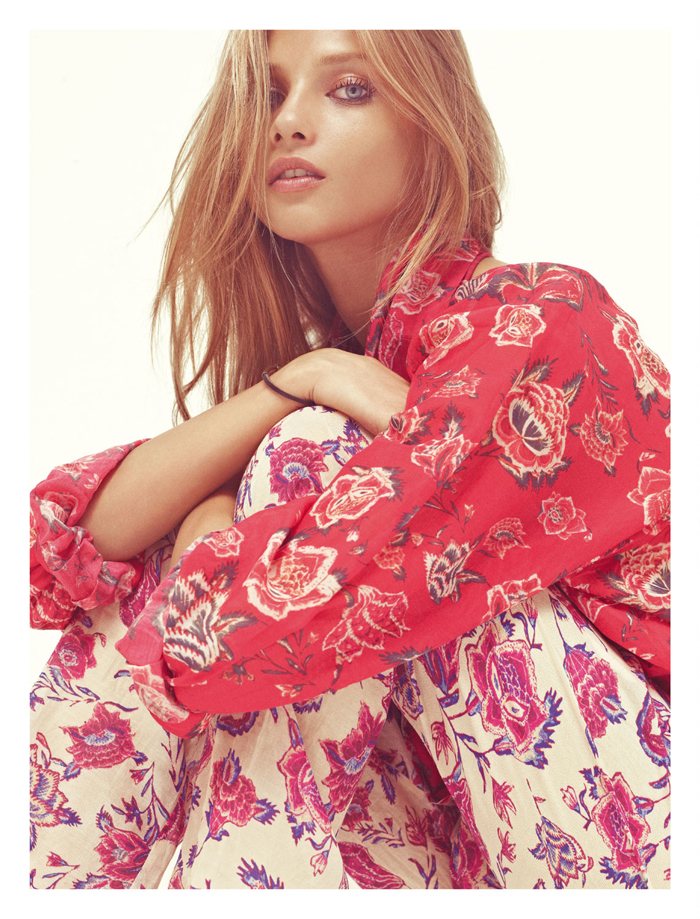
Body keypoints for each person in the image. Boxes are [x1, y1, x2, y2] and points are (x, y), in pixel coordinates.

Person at [29, 29, 670, 889]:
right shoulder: (339, 367)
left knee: (311, 460)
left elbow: (251, 634)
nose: (288, 123)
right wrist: (294, 384)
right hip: (467, 840)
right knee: (202, 511)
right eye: (269, 94)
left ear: (432, 130)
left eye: (350, 89)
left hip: (640, 833)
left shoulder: (536, 318)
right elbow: (72, 540)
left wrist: (220, 511)